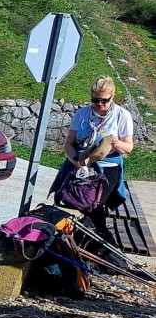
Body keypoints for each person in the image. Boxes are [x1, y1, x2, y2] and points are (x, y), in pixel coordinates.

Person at [51, 76, 135, 258]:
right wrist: (76, 161)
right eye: (95, 100)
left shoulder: (122, 115)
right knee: (66, 198)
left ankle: (100, 243)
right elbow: (69, 143)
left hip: (108, 165)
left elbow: (129, 148)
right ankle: (96, 242)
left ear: (113, 96)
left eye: (104, 100)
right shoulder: (82, 114)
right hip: (80, 162)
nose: (99, 104)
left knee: (92, 203)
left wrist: (116, 143)